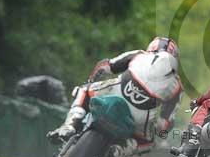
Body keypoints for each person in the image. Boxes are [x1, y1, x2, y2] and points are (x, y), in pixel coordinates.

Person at [47, 36, 182, 147]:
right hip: (142, 118)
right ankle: (122, 152)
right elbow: (167, 121)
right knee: (149, 142)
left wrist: (90, 81)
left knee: (83, 90)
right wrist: (160, 132)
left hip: (115, 92)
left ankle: (70, 125)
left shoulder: (139, 54)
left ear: (152, 47)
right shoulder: (177, 84)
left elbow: (105, 66)